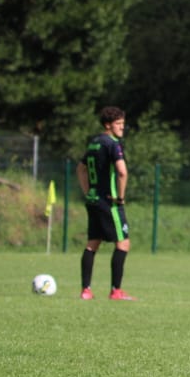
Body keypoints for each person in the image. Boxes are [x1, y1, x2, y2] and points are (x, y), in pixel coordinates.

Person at [75, 106, 134, 301]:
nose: (122, 128)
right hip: (110, 201)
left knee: (93, 243)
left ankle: (86, 290)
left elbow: (80, 169)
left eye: (123, 124)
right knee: (123, 243)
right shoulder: (113, 144)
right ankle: (116, 291)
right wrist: (121, 197)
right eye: (118, 124)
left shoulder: (93, 144)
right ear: (108, 125)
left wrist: (87, 192)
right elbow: (122, 172)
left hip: (93, 200)